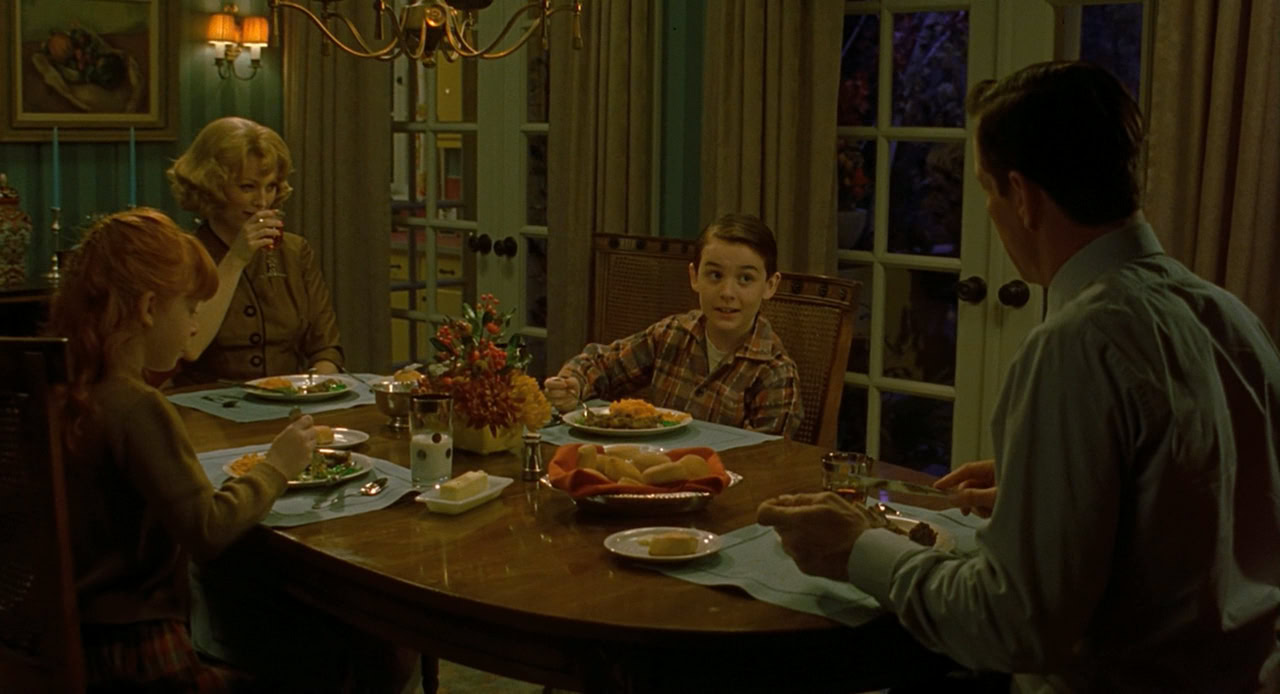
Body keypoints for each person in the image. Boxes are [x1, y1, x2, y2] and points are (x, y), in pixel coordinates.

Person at [758, 61, 1280, 693]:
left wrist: (858, 550)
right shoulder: (1231, 319)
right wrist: (1059, 494)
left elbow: (1015, 626)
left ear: (1024, 196)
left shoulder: (1079, 344)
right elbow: (1201, 511)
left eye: (987, 191)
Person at [49, 208, 318, 691]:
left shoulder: (70, 390)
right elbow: (209, 529)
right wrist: (277, 466)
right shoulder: (136, 406)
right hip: (140, 652)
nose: (196, 327)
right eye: (191, 309)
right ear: (150, 308)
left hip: (74, 642)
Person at [544, 213, 804, 435]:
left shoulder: (774, 372)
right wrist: (572, 384)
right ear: (694, 277)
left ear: (770, 286)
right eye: (715, 275)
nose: (727, 292)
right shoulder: (672, 334)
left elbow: (765, 460)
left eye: (745, 278)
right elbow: (602, 362)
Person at [166, 116, 343, 385]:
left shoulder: (295, 252)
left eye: (270, 187)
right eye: (247, 187)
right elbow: (189, 348)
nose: (262, 201)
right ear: (212, 185)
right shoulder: (182, 254)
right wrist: (237, 258)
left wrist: (315, 382)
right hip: (206, 409)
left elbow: (326, 348)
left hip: (289, 406)